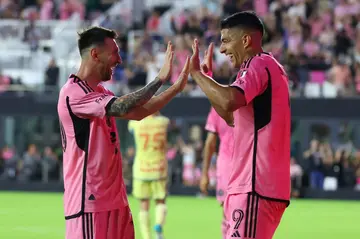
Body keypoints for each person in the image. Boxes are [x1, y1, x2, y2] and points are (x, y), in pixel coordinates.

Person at [57, 26, 190, 239]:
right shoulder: (73, 92)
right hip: (90, 203)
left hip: (115, 201)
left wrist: (174, 88)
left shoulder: (101, 92)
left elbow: (139, 112)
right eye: (115, 53)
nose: (119, 60)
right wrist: (159, 80)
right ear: (95, 54)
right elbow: (122, 107)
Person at [189, 12, 291, 239]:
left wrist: (196, 75)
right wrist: (208, 81)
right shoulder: (272, 68)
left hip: (254, 185)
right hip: (261, 186)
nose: (222, 49)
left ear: (245, 40)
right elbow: (231, 117)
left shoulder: (257, 64)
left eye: (226, 41)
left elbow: (229, 100)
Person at [199, 46, 235, 239]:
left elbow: (210, 144)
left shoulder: (218, 110)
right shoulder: (251, 111)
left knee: (228, 215)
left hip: (228, 167)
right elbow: (210, 144)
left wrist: (205, 173)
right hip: (239, 167)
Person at [128, 111, 170, 239]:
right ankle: (158, 226)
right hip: (159, 168)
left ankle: (146, 236)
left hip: (141, 168)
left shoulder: (135, 124)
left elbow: (131, 126)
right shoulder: (163, 122)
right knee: (160, 200)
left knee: (144, 204)